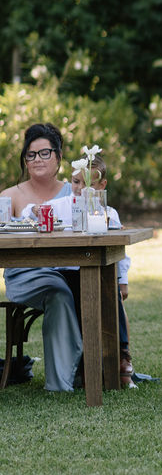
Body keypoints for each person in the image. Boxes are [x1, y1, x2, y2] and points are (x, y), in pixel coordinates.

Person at [0, 123, 80, 391]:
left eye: (45, 153)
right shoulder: (11, 196)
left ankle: (106, 366)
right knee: (58, 292)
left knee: (90, 290)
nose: (37, 160)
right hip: (25, 275)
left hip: (69, 271)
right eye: (31, 155)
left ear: (58, 156)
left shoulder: (74, 193)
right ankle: (61, 383)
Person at [47, 154, 138, 388]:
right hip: (66, 273)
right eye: (76, 182)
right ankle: (87, 362)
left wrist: (122, 280)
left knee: (108, 290)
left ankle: (121, 354)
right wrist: (35, 211)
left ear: (101, 185)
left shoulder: (110, 213)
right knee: (79, 286)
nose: (81, 188)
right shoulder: (60, 207)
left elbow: (120, 252)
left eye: (88, 183)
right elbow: (31, 211)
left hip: (99, 273)